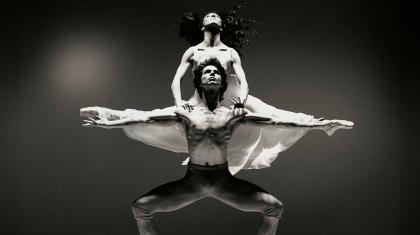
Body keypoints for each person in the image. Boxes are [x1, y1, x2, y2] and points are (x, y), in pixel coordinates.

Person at [81, 58, 353, 234]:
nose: (211, 75)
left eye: (216, 73)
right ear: (199, 81)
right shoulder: (186, 113)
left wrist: (322, 125)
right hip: (194, 181)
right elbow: (145, 117)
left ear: (223, 82)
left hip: (223, 181)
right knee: (140, 207)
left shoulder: (234, 115)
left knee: (275, 208)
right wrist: (110, 120)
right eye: (207, 72)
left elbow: (275, 120)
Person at [171, 12, 314, 123]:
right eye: (209, 16)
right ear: (202, 26)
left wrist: (241, 102)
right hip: (201, 97)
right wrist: (178, 102)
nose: (213, 16)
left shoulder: (230, 52)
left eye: (216, 16)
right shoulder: (193, 51)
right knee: (172, 118)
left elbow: (243, 81)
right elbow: (176, 80)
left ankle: (315, 122)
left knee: (270, 113)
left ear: (221, 26)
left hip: (231, 94)